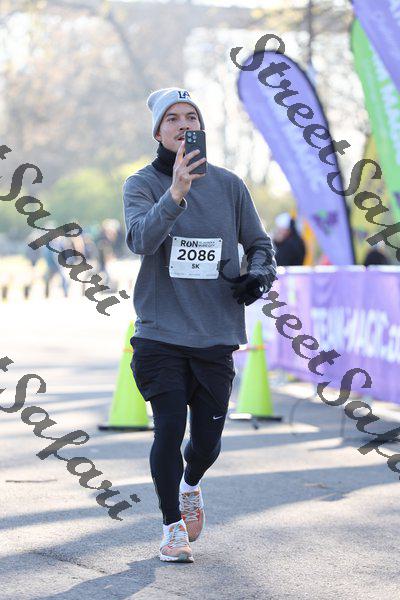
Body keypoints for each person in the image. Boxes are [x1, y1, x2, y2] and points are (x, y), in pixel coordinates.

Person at [123, 87, 277, 563]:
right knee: (168, 429)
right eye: (172, 118)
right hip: (160, 332)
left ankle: (191, 483)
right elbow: (139, 240)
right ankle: (171, 527)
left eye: (190, 117)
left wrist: (259, 275)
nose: (183, 124)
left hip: (215, 332)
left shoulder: (230, 185)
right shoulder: (141, 184)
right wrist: (175, 194)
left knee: (206, 444)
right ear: (158, 132)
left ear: (201, 127)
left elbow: (260, 244)